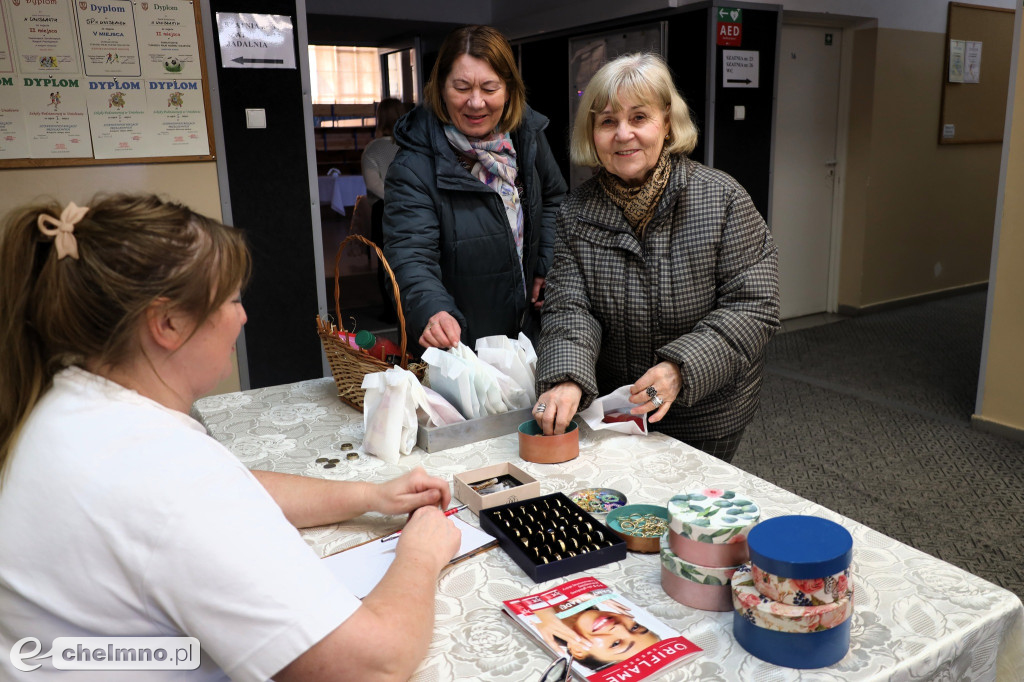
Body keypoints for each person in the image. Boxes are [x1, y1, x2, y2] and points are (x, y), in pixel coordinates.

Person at [0, 194, 461, 681]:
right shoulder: (167, 475)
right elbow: (373, 665)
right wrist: (421, 554)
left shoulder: (69, 402)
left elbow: (236, 485)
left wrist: (371, 495)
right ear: (168, 323)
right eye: (232, 300)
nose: (242, 318)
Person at [533, 53, 780, 463]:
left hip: (705, 412)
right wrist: (566, 378)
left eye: (639, 117)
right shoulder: (576, 212)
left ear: (666, 123)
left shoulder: (722, 198)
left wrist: (679, 369)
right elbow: (569, 307)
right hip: (619, 412)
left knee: (690, 520)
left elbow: (753, 306)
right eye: (608, 121)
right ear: (591, 133)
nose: (623, 134)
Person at [383, 25, 567, 351]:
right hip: (462, 348)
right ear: (441, 88)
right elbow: (410, 256)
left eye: (490, 87)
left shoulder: (528, 138)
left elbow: (553, 197)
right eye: (462, 86)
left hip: (529, 336)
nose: (476, 102)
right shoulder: (414, 166)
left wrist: (545, 265)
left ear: (509, 89)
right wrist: (432, 311)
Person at [362, 97, 405, 322]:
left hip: (384, 210)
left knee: (385, 261)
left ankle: (390, 312)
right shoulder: (410, 147)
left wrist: (393, 200)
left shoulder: (373, 149)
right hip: (411, 209)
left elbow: (373, 184)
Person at [531, 595, 661, 671]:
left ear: (578, 650)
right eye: (635, 627)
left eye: (615, 644)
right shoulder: (591, 595)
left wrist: (541, 612)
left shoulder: (530, 627)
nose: (619, 628)